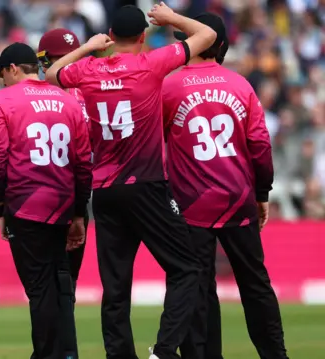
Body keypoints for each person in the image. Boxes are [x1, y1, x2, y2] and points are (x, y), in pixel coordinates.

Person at [44, 3, 218, 359]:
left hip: (105, 191)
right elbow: (208, 35)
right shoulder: (151, 63)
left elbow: (52, 74)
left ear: (110, 37)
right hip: (147, 184)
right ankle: (165, 350)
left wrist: (88, 48)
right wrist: (170, 19)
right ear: (142, 37)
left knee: (116, 286)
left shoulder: (88, 69)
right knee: (187, 269)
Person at [162, 13, 290, 359]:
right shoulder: (240, 85)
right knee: (255, 285)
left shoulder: (169, 86)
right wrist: (262, 193)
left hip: (191, 204)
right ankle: (275, 354)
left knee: (197, 287)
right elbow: (260, 146)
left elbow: (155, 145)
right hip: (238, 198)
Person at [0, 42, 93, 359]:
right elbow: (83, 163)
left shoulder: (3, 99)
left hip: (25, 203)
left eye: (2, 74)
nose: (2, 81)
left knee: (40, 288)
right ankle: (66, 352)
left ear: (12, 69)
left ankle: (49, 354)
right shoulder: (67, 100)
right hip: (63, 204)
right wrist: (77, 213)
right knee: (60, 281)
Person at [37, 28, 91, 292]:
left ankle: (55, 332)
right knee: (66, 280)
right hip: (78, 193)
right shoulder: (91, 93)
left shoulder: (32, 97)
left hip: (44, 194)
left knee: (51, 284)